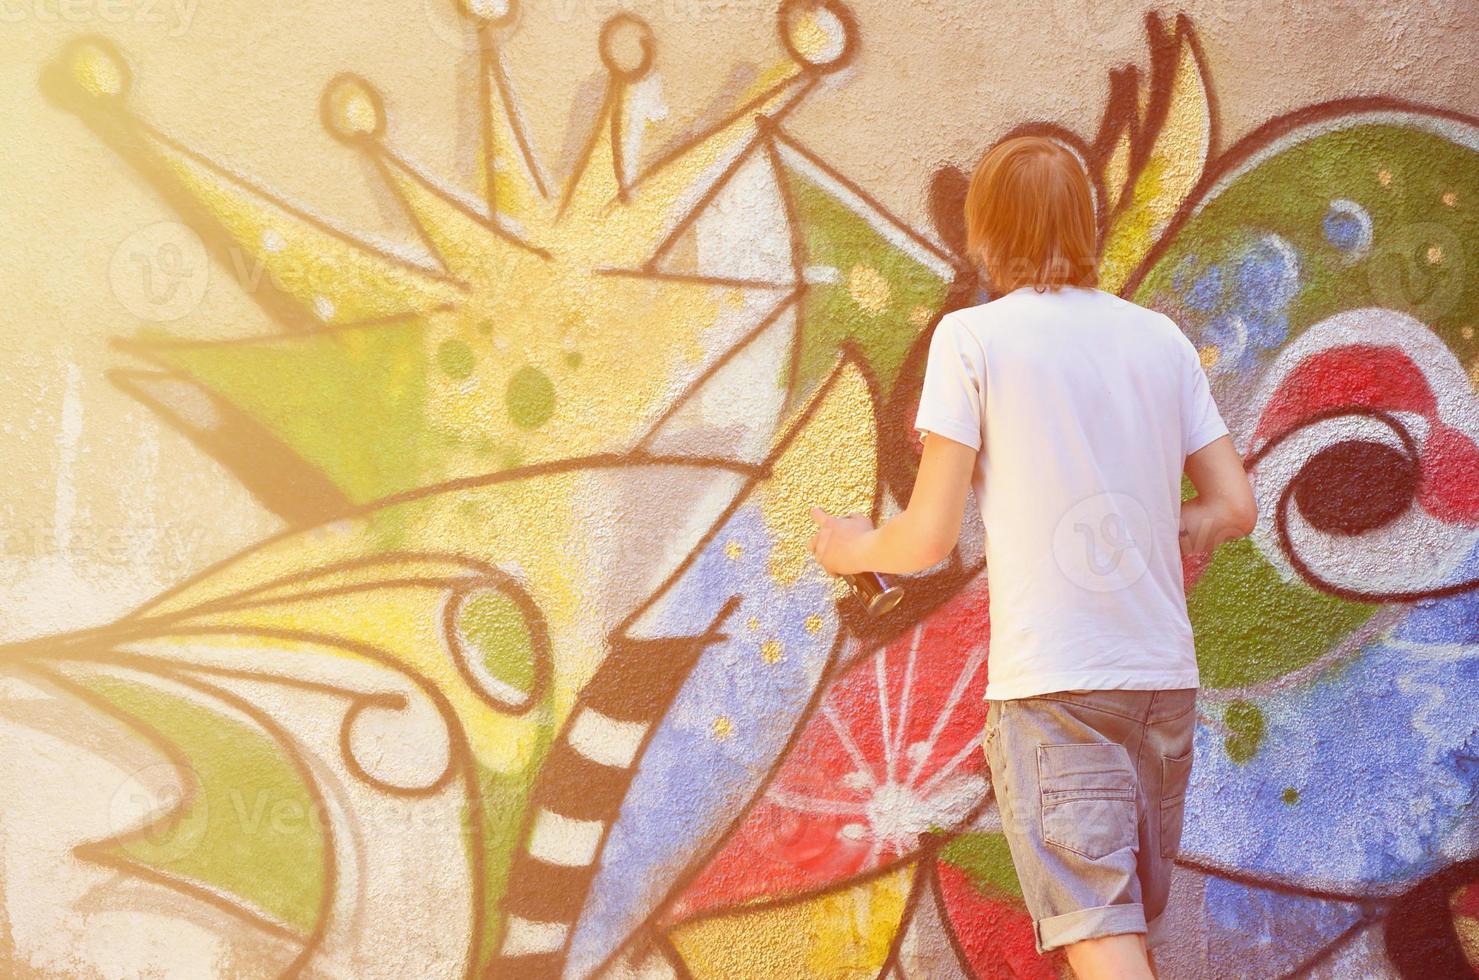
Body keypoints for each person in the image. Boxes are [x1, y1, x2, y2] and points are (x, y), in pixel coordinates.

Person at [806, 134, 1256, 979]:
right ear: (1084, 222)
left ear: (983, 229)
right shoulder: (1158, 340)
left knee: (1098, 932)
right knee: (1121, 920)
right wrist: (1183, 525)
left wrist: (849, 548)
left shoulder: (971, 340)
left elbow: (928, 536)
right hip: (1160, 677)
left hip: (1055, 686)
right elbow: (1235, 505)